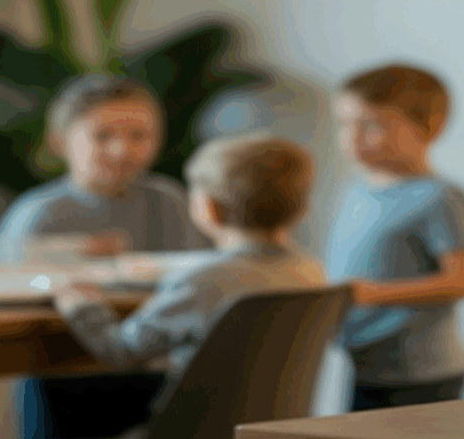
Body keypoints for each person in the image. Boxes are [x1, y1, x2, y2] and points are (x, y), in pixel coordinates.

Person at [0, 74, 209, 439]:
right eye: (102, 136)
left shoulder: (169, 201)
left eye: (139, 136)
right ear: (60, 140)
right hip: (60, 375)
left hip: (153, 370)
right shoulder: (38, 214)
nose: (122, 149)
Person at [53, 132, 324, 392]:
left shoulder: (202, 281)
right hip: (273, 428)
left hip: (196, 431)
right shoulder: (311, 272)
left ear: (208, 207)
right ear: (303, 208)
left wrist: (81, 305)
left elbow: (122, 351)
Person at [327, 63, 464, 411]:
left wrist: (373, 293)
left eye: (371, 125)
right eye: (345, 124)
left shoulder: (439, 197)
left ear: (430, 127)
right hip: (367, 365)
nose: (352, 137)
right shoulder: (356, 191)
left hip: (420, 374)